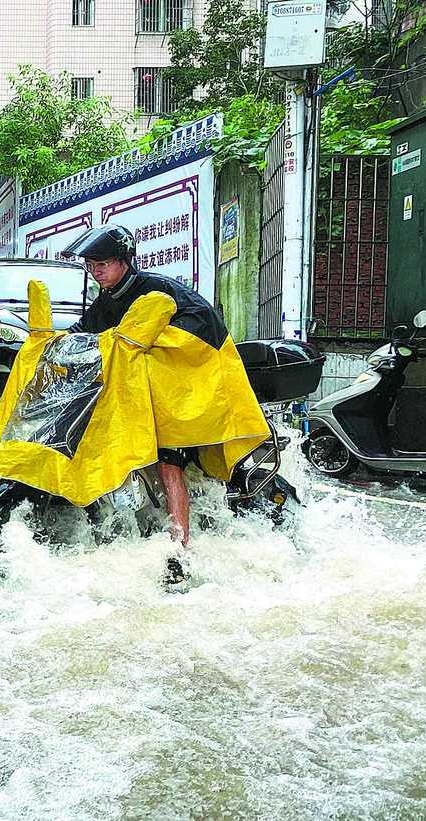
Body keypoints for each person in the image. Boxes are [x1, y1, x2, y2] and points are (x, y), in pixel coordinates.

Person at [59, 224, 262, 584]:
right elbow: (87, 332)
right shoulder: (109, 297)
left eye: (103, 263)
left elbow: (182, 348)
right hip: (150, 397)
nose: (96, 271)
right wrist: (50, 344)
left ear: (124, 261)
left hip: (188, 396)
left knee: (169, 465)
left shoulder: (157, 292)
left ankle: (179, 550)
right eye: (91, 265)